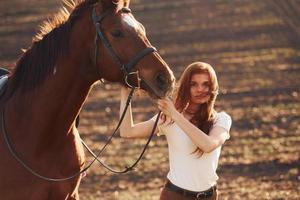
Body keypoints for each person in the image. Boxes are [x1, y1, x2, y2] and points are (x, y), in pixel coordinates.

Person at [119, 62, 232, 200]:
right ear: (185, 87)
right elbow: (127, 132)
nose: (200, 89)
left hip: (209, 196)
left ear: (213, 88)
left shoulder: (221, 119)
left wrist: (175, 115)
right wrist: (125, 94)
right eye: (193, 84)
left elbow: (207, 145)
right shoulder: (168, 117)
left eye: (206, 84)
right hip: (174, 195)